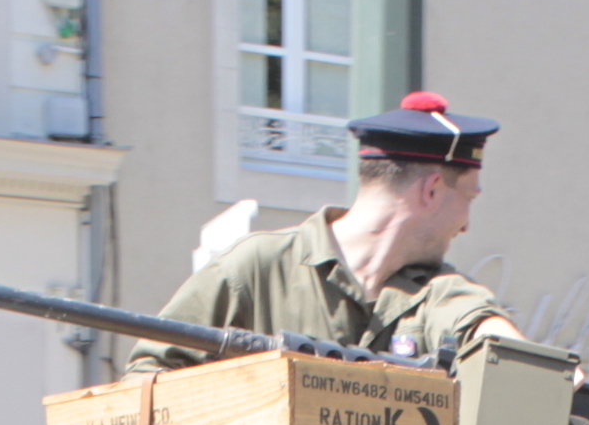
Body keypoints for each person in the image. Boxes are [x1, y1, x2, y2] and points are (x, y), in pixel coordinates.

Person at [134, 93, 518, 372]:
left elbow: (484, 327)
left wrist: (553, 374)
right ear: (431, 190)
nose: (466, 225)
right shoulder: (257, 270)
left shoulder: (436, 289)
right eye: (469, 199)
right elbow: (149, 374)